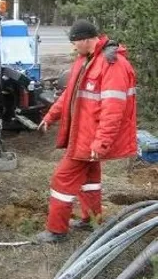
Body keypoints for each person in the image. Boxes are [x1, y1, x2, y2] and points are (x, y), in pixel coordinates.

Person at [35, 19, 137, 243]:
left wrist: (100, 143)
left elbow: (113, 110)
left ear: (87, 39)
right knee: (90, 179)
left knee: (62, 180)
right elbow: (68, 95)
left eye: (75, 42)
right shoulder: (85, 60)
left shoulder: (112, 65)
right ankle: (91, 220)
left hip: (89, 140)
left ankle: (56, 230)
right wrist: (50, 116)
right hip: (83, 136)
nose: (73, 47)